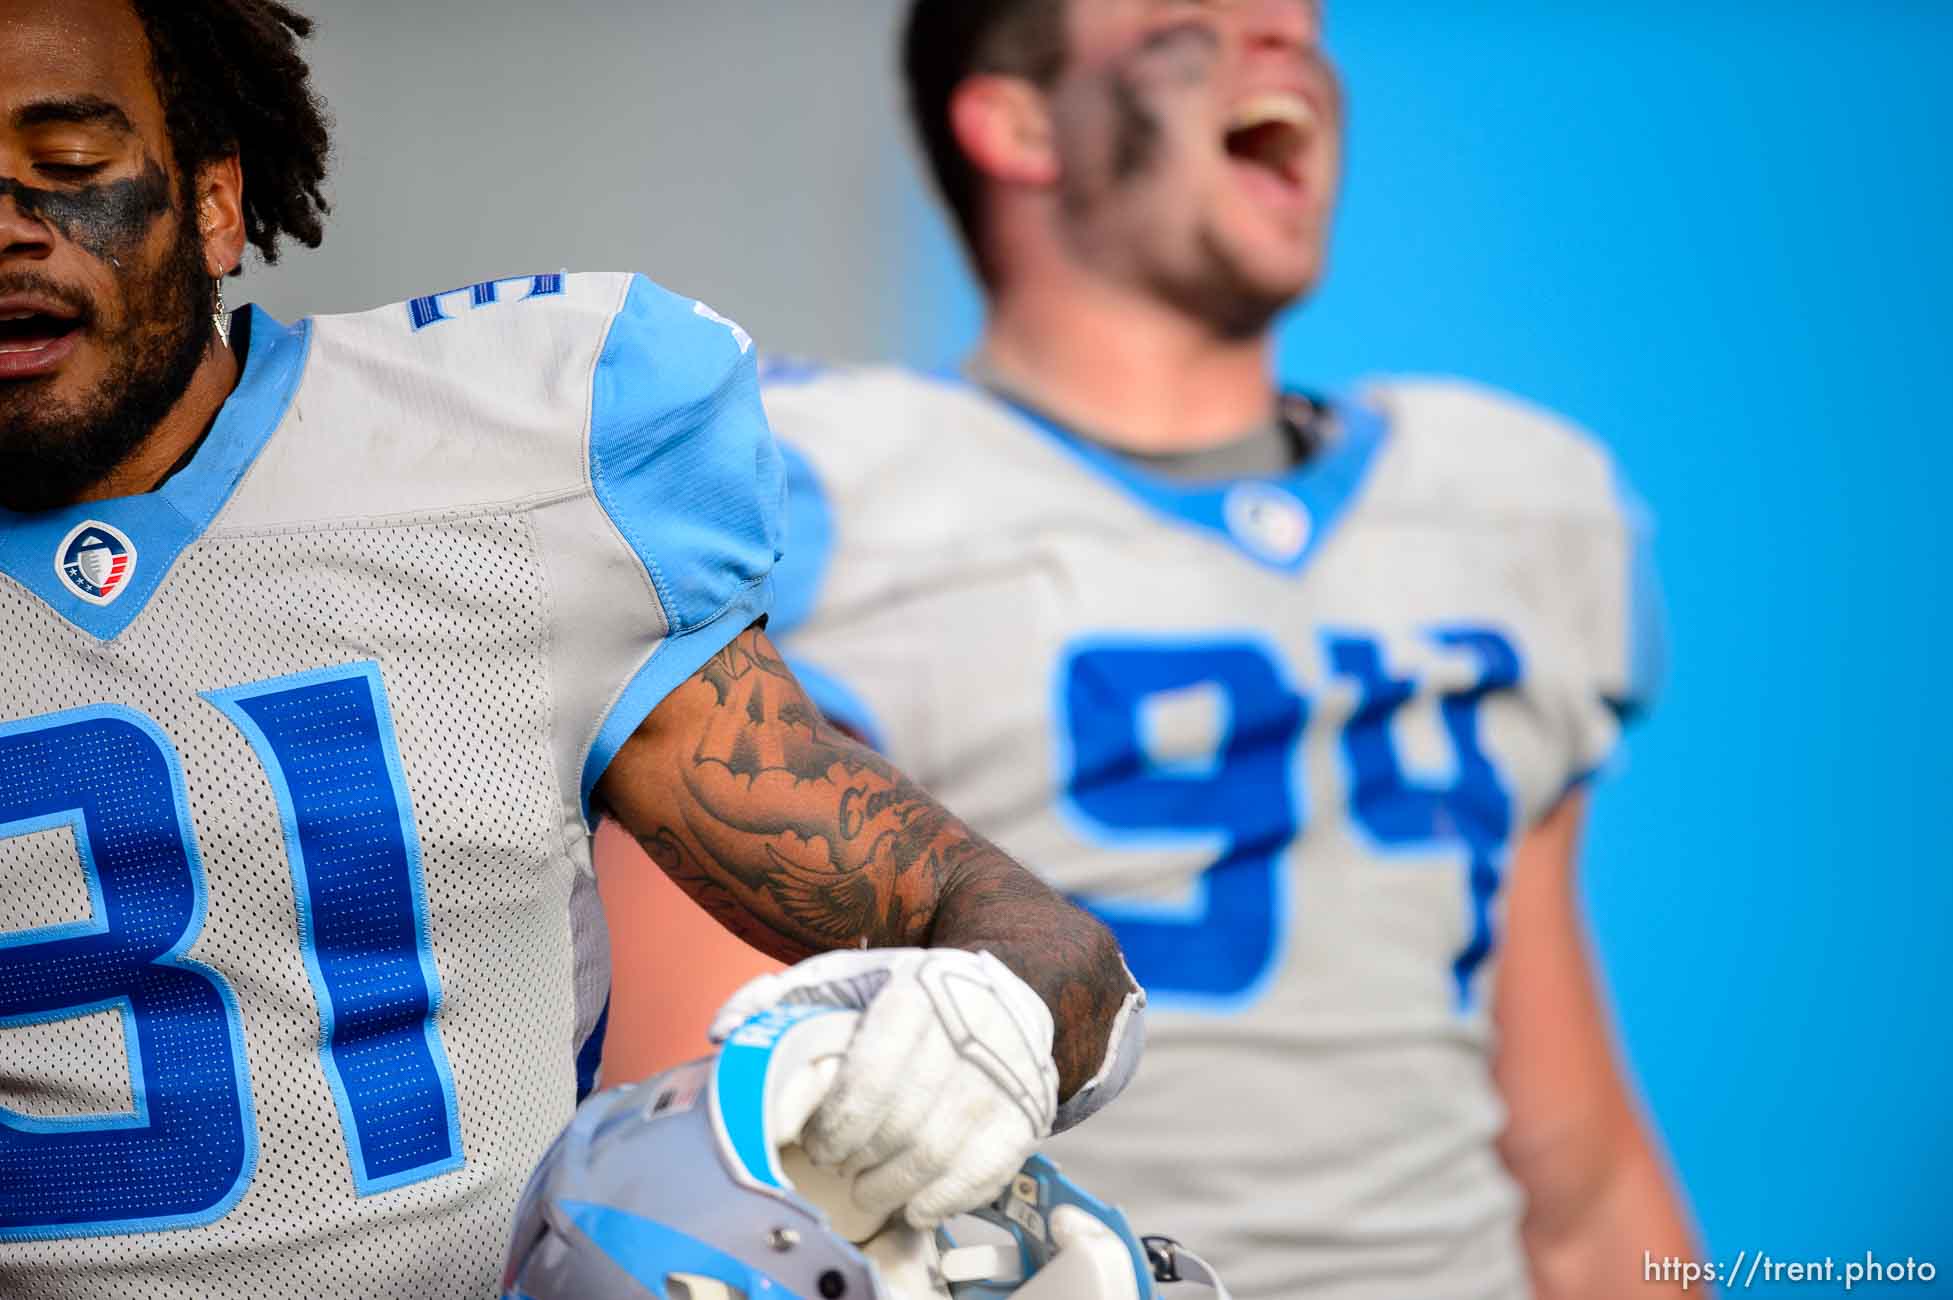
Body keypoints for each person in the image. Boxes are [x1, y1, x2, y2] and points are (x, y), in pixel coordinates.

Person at [0, 2, 1143, 1297]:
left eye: (71, 170)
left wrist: (983, 1033)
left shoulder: (498, 461)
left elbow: (1013, 936)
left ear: (212, 200)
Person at [617, 0, 1702, 1295]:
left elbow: (1574, 1171)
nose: (1283, 32)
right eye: (1194, 15)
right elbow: (704, 1175)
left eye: (1299, 16)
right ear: (1016, 121)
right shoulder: (811, 500)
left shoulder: (1509, 505)